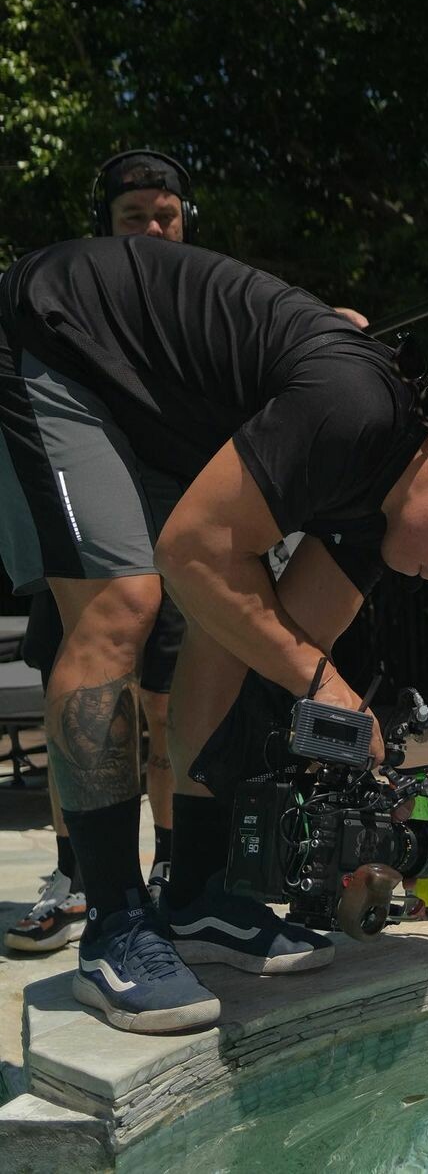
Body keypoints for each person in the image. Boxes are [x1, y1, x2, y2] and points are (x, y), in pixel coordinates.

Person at [0, 233, 428, 1033]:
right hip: (61, 334)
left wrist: (349, 777)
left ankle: (198, 892)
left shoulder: (381, 512)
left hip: (154, 410)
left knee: (247, 634)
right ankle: (112, 923)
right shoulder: (355, 410)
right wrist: (323, 682)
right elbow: (193, 553)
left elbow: (263, 644)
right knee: (121, 604)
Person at [6, 150, 196, 956]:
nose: (151, 230)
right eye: (132, 218)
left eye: (165, 217)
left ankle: (173, 870)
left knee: (167, 711)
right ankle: (76, 874)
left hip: (176, 534)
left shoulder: (204, 304)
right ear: (104, 228)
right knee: (81, 692)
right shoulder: (66, 296)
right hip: (84, 535)